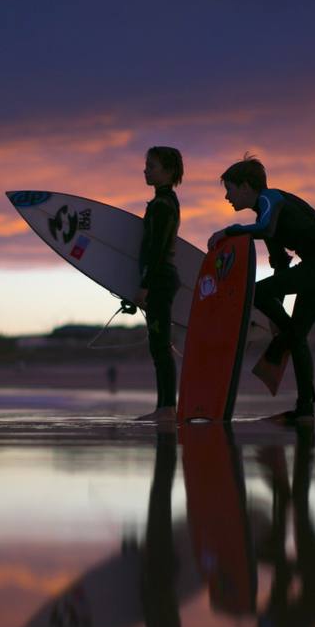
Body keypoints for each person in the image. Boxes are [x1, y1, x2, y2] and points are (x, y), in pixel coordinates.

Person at [208, 155, 315, 424]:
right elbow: (281, 264)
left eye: (230, 189)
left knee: (255, 293)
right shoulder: (264, 212)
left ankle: (278, 347)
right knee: (296, 335)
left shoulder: (271, 199)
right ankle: (305, 411)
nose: (227, 197)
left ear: (246, 187)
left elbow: (266, 230)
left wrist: (229, 231)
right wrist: (275, 314)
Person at [135, 146, 184, 423]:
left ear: (168, 171)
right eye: (146, 165)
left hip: (160, 280)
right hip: (161, 278)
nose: (146, 170)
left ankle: (166, 408)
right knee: (159, 345)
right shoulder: (166, 202)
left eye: (152, 166)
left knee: (160, 346)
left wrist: (144, 284)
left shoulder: (162, 206)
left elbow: (157, 248)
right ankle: (164, 407)